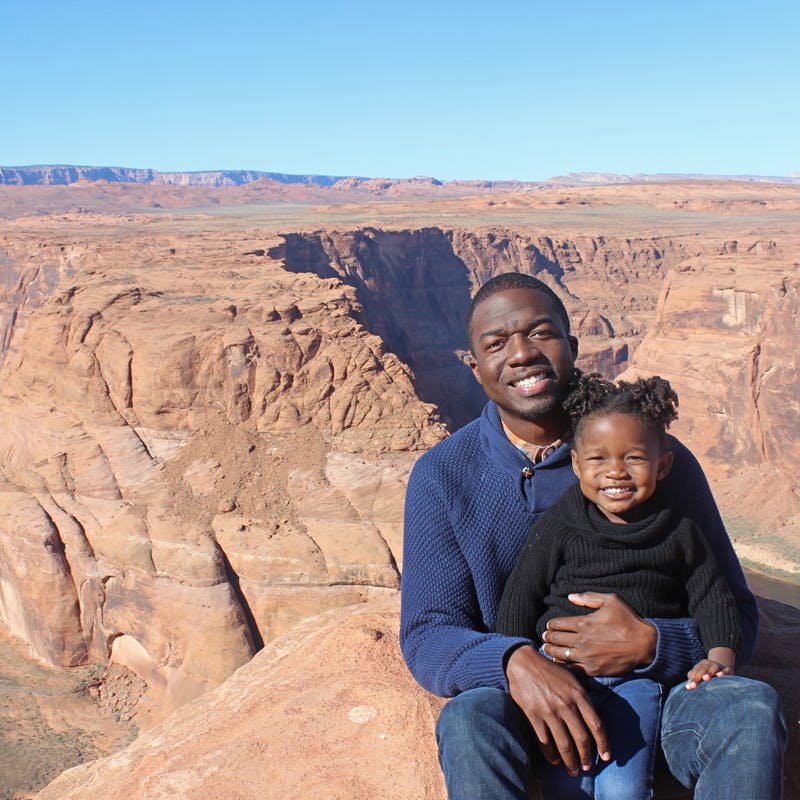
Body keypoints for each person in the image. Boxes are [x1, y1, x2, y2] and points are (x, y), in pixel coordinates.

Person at [399, 272, 786, 799]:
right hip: (528, 705)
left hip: (659, 697)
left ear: (572, 346)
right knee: (469, 719)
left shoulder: (656, 463)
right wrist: (513, 661)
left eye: (540, 333)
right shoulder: (443, 475)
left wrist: (653, 643)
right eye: (496, 344)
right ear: (474, 367)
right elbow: (428, 632)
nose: (521, 355)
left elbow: (732, 609)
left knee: (749, 708)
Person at [495, 373, 741, 799]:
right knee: (564, 783)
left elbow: (714, 600)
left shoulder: (681, 532)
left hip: (638, 684)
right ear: (576, 465)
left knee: (626, 785)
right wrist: (521, 663)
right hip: (563, 680)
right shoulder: (559, 525)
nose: (615, 472)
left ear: (663, 465)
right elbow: (520, 597)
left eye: (633, 458)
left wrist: (718, 659)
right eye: (598, 460)